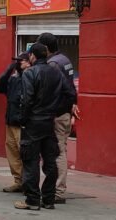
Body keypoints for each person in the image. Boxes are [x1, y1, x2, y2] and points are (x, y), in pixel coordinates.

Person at [14, 43, 75, 210]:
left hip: (34, 122)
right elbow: (70, 94)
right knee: (50, 162)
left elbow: (27, 100)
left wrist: (24, 119)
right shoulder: (56, 72)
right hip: (49, 121)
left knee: (31, 161)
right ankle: (48, 199)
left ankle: (32, 200)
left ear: (33, 56)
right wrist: (56, 110)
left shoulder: (30, 73)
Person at [37, 32, 78, 204]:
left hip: (57, 114)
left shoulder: (53, 64)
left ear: (46, 48)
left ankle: (58, 192)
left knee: (58, 152)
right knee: (60, 150)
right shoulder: (65, 59)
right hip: (64, 112)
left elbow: (53, 90)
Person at [0, 52, 31, 193]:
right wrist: (9, 69)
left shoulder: (31, 77)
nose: (18, 63)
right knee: (12, 153)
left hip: (22, 122)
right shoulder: (14, 79)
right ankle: (18, 181)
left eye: (20, 61)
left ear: (29, 62)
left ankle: (28, 183)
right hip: (10, 120)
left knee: (24, 153)